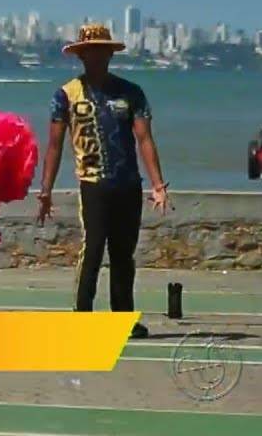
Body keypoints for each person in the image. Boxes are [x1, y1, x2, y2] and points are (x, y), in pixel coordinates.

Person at [39, 24, 169, 339]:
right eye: (88, 51)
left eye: (101, 50)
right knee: (94, 247)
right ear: (81, 56)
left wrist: (158, 185)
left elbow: (144, 139)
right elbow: (55, 145)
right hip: (93, 183)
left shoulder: (131, 92)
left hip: (127, 184)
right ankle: (82, 313)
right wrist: (46, 191)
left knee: (124, 253)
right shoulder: (66, 95)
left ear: (110, 54)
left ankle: (123, 317)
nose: (94, 56)